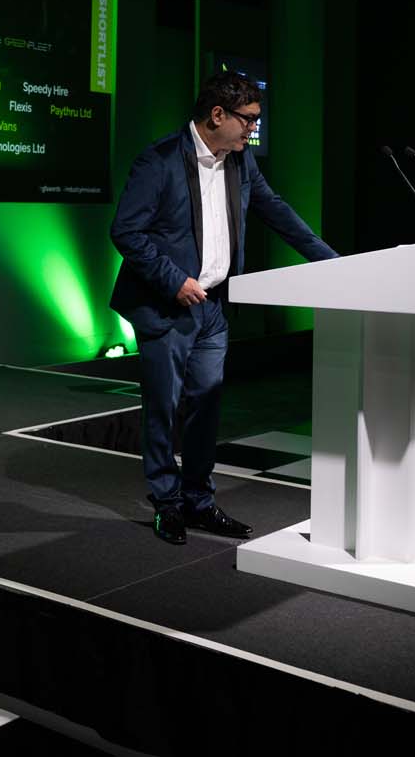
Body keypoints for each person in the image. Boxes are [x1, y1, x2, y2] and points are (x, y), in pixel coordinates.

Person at [109, 71, 338, 544]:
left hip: (213, 307)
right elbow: (126, 232)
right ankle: (167, 503)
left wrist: (333, 263)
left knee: (206, 407)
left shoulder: (239, 159)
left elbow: (276, 210)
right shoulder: (159, 161)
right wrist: (174, 281)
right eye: (248, 119)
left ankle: (198, 500)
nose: (253, 129)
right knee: (163, 408)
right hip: (166, 305)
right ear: (217, 115)